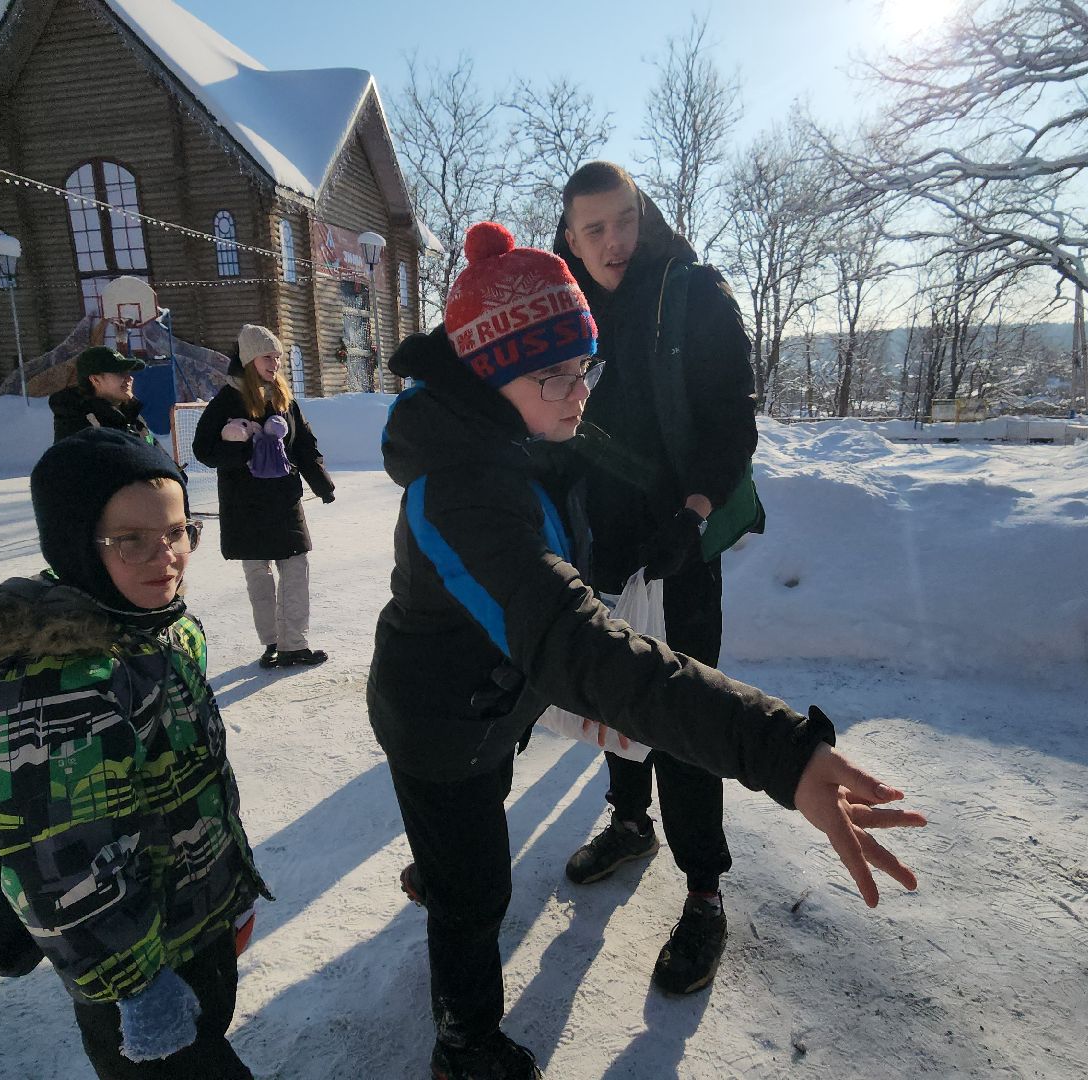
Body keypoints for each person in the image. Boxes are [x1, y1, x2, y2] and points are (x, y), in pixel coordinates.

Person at [368, 222, 924, 1080]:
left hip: (494, 699)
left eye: (584, 366)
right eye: (552, 373)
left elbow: (626, 494)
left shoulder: (518, 434)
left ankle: (447, 864)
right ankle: (464, 1043)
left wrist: (681, 520)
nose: (577, 392)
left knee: (470, 852)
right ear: (486, 369)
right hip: (440, 724)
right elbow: (576, 644)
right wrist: (776, 749)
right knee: (477, 892)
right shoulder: (460, 494)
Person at [0, 429, 267, 1079]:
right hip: (130, 971)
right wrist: (135, 987)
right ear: (76, 546)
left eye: (178, 531)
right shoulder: (56, 688)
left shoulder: (161, 626)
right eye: (132, 540)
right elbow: (57, 866)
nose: (166, 556)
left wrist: (221, 894)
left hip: (187, 921)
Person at [548, 160, 763, 995]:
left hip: (678, 546)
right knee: (609, 694)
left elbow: (730, 419)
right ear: (569, 234)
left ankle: (705, 889)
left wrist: (695, 511)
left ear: (644, 214)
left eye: (624, 219)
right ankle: (631, 821)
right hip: (595, 544)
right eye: (594, 228)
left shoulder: (694, 293)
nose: (614, 240)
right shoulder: (559, 306)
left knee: (684, 714)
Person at [191, 325, 335, 669]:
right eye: (268, 356)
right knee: (259, 573)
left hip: (284, 500)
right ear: (249, 358)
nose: (276, 363)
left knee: (295, 568)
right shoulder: (227, 400)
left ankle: (293, 644)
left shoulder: (283, 398)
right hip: (245, 504)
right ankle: (272, 643)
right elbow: (203, 451)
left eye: (279, 357)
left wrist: (322, 483)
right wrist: (235, 444)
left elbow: (303, 446)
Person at [51, 344, 153, 442]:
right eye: (120, 373)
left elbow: (154, 450)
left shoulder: (133, 416)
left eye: (128, 372)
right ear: (95, 380)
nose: (129, 378)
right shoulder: (78, 426)